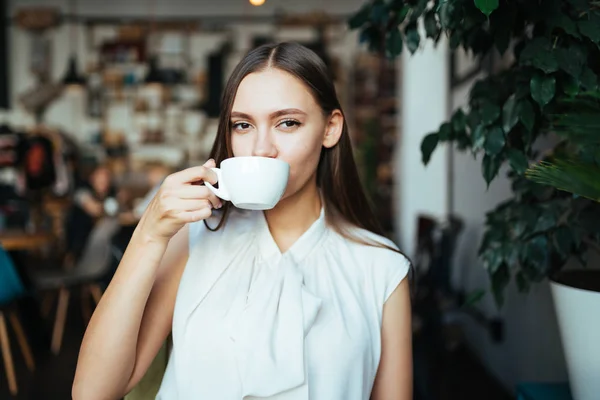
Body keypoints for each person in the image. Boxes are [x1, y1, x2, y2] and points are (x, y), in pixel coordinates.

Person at [72, 42, 412, 400]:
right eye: (243, 125)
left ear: (330, 128)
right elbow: (93, 392)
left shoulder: (382, 270)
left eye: (288, 122)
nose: (261, 148)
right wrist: (149, 233)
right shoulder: (193, 237)